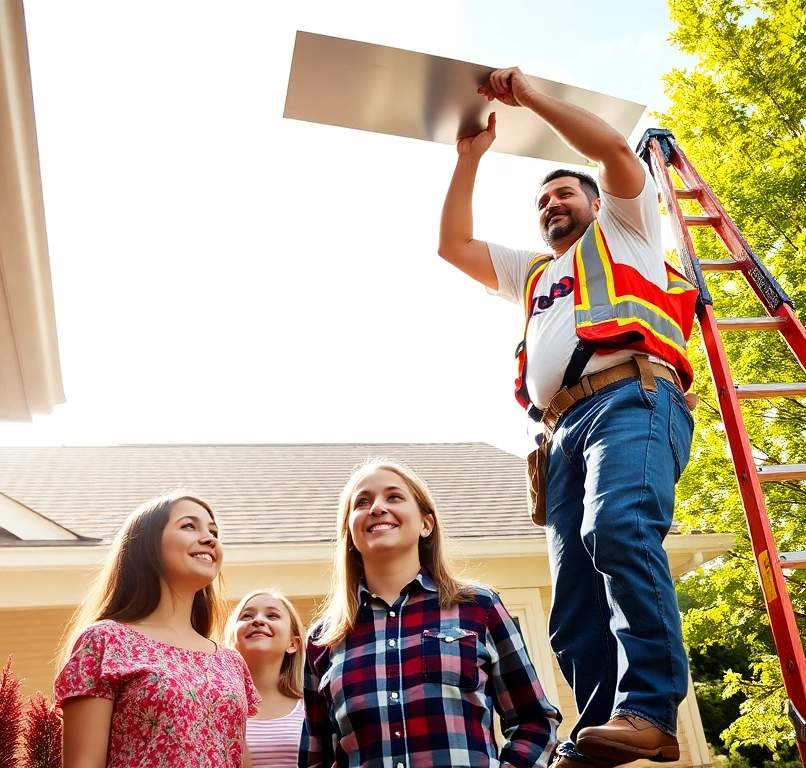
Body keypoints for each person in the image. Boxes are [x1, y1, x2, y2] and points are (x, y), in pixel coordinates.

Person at [437, 67, 699, 766]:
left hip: (630, 398)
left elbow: (614, 150)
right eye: (542, 201)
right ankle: (596, 733)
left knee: (615, 529)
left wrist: (526, 98)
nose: (552, 205)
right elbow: (453, 248)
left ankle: (648, 708)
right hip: (559, 433)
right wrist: (469, 160)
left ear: (593, 201)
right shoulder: (534, 274)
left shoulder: (626, 229)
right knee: (573, 601)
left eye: (562, 193)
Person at [299, 458, 560, 768]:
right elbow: (316, 758)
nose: (377, 508)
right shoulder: (322, 639)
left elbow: (535, 721)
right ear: (350, 533)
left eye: (394, 497)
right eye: (362, 502)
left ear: (426, 524)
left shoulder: (480, 607)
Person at [56, 491, 260, 768]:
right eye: (189, 526)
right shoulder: (106, 641)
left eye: (214, 532)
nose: (209, 538)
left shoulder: (231, 662)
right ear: (147, 544)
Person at [226, 590, 307, 767]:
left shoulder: (311, 709)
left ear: (293, 644)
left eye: (272, 615)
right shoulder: (219, 709)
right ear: (233, 642)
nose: (258, 620)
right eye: (247, 616)